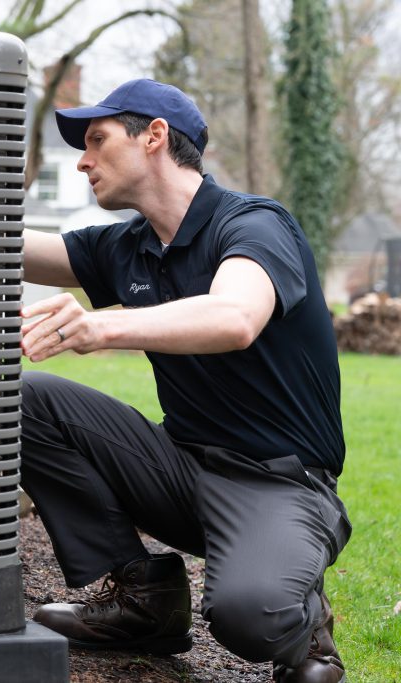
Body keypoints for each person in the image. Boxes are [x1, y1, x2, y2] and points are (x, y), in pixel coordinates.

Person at [19, 79, 351, 683]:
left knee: (250, 619)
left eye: (97, 140)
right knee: (26, 402)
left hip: (278, 483)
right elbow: (6, 246)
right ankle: (145, 598)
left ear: (154, 137)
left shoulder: (252, 223)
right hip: (181, 469)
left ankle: (307, 628)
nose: (82, 160)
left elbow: (235, 318)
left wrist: (100, 328)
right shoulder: (127, 247)